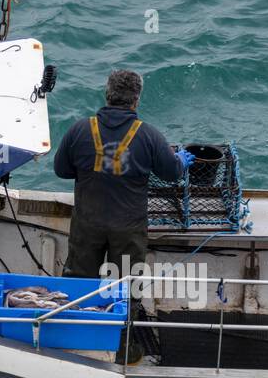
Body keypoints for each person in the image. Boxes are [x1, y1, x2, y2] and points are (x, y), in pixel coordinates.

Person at [53, 69, 193, 361]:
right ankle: (124, 349)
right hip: (128, 229)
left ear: (107, 93)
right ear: (136, 100)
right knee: (127, 286)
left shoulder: (79, 129)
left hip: (87, 224)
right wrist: (180, 160)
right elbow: (171, 173)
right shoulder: (149, 135)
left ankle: (76, 340)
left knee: (80, 281)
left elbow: (62, 170)